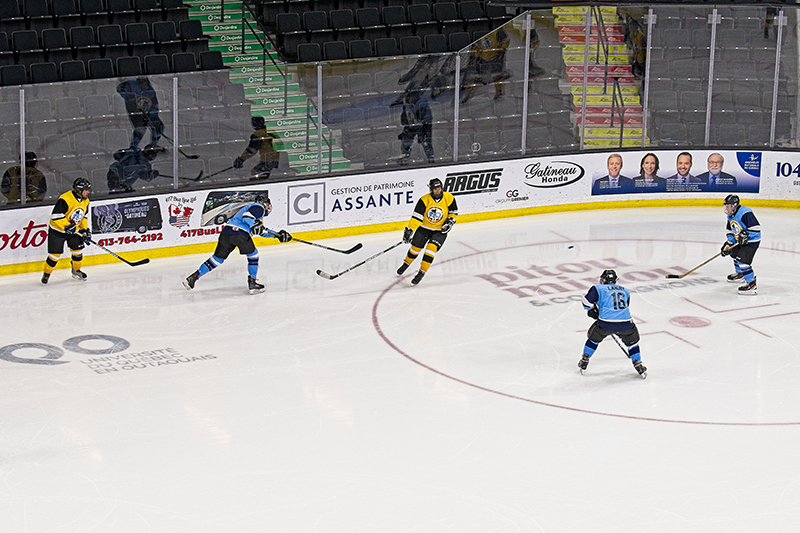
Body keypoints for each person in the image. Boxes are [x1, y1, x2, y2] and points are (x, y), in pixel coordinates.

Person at [183, 194, 292, 294]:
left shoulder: (254, 215)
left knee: (217, 259)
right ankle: (252, 283)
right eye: (267, 204)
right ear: (263, 203)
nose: (268, 207)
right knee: (253, 255)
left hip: (226, 233)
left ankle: (194, 277)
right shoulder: (258, 207)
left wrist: (277, 235)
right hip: (240, 234)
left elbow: (261, 231)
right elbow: (247, 216)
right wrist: (254, 225)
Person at [578, 269, 647, 378]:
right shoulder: (625, 290)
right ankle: (637, 363)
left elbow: (586, 302)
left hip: (605, 324)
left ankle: (585, 359)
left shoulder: (598, 288)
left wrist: (592, 310)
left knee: (593, 339)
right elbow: (624, 306)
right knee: (632, 343)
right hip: (626, 324)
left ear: (603, 280)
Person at [396, 178, 458, 285]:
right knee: (415, 249)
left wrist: (450, 220)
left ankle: (421, 272)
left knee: (431, 249)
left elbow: (454, 211)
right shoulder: (424, 200)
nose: (438, 190)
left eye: (439, 188)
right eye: (435, 188)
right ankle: (406, 264)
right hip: (424, 228)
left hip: (439, 231)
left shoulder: (448, 197)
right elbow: (416, 217)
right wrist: (410, 230)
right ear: (431, 189)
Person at [41, 177, 92, 285]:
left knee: (78, 251)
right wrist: (67, 226)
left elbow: (83, 217)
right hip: (57, 231)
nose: (88, 192)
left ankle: (76, 271)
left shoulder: (86, 201)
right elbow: (55, 216)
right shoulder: (65, 199)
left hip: (74, 231)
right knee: (54, 256)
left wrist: (84, 230)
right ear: (79, 190)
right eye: (86, 190)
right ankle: (46, 274)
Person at [721, 194, 760, 294]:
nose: (727, 209)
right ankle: (740, 274)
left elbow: (756, 228)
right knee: (734, 253)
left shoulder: (745, 212)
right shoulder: (730, 215)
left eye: (729, 206)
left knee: (743, 261)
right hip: (739, 241)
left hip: (751, 242)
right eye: (726, 206)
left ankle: (751, 284)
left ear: (735, 205)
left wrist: (747, 235)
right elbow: (730, 230)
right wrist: (729, 243)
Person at [461, 27, 511, 102]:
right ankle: (468, 94)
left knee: (497, 76)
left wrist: (501, 51)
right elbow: (475, 46)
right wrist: (476, 56)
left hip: (496, 57)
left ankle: (499, 91)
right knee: (476, 77)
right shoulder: (477, 30)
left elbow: (506, 41)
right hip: (482, 58)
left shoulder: (497, 30)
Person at [116, 77, 164, 149]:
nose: (144, 85)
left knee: (159, 126)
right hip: (134, 112)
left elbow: (154, 105)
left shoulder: (150, 91)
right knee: (140, 127)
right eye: (141, 82)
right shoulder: (131, 84)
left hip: (147, 112)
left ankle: (153, 146)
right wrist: (128, 95)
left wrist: (152, 116)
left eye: (144, 82)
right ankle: (133, 147)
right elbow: (120, 88)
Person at [397, 88, 434, 164]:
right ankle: (405, 156)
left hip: (424, 125)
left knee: (426, 142)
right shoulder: (406, 101)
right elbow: (406, 111)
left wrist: (422, 130)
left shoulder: (422, 103)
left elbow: (424, 117)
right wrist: (404, 121)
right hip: (411, 124)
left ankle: (430, 158)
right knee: (406, 141)